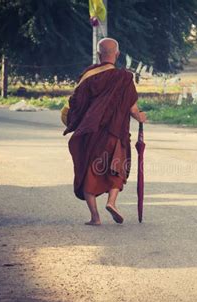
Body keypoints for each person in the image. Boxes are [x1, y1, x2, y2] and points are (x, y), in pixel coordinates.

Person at [63, 38, 146, 226]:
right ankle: (112, 202)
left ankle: (95, 217)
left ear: (99, 55)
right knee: (117, 169)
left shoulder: (88, 76)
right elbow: (133, 110)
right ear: (117, 54)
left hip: (91, 133)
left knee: (88, 173)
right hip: (116, 134)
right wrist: (141, 117)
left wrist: (73, 122)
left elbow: (75, 104)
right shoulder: (124, 79)